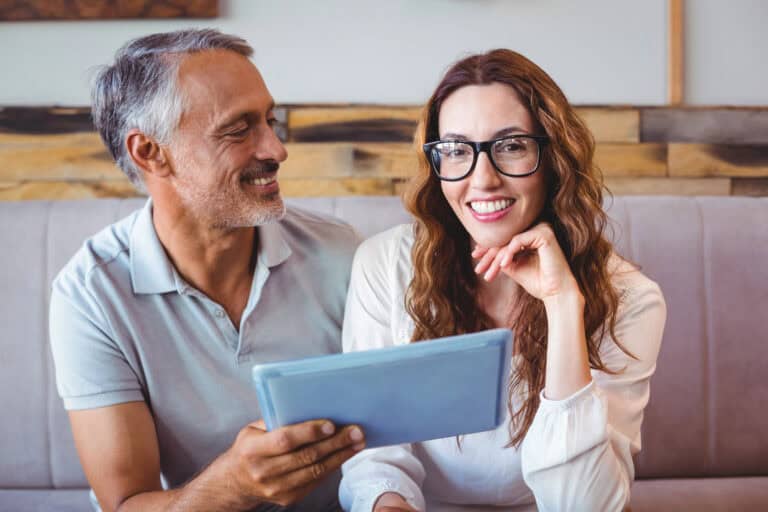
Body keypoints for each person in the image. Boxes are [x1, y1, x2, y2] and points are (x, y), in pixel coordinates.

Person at [49, 29, 364, 512]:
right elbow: (126, 503)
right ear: (151, 152)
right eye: (239, 129)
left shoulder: (342, 253)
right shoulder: (91, 294)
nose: (276, 150)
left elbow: (401, 450)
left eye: (270, 121)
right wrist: (233, 485)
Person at [339, 49, 666, 511]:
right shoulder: (386, 266)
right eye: (455, 150)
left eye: (511, 146)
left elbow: (583, 504)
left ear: (553, 157)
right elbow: (375, 455)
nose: (483, 178)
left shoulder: (631, 299)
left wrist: (562, 303)